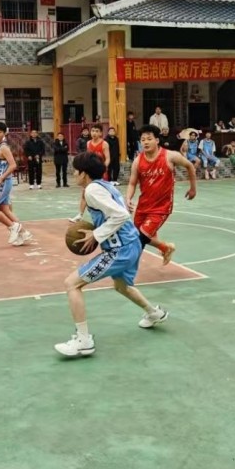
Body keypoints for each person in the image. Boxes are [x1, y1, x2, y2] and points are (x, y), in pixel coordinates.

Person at [54, 152, 169, 358]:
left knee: (71, 284)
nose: (74, 174)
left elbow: (121, 215)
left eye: (76, 170)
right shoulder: (106, 185)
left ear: (84, 173)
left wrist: (96, 235)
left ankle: (83, 341)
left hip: (120, 249)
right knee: (121, 285)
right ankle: (154, 313)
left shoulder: (92, 190)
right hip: (132, 243)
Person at [126, 124, 197, 266]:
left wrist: (193, 189)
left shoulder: (170, 156)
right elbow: (132, 183)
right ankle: (165, 248)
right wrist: (127, 198)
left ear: (157, 140)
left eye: (149, 139)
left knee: (140, 238)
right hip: (143, 206)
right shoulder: (138, 161)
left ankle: (127, 268)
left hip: (161, 207)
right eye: (143, 140)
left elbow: (190, 166)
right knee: (139, 235)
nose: (145, 142)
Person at [0, 121, 33, 246]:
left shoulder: (3, 148)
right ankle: (23, 232)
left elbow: (13, 165)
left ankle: (13, 227)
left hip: (2, 182)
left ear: (4, 134)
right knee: (4, 209)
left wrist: (1, 178)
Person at [69, 125, 110, 222]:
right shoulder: (88, 143)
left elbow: (108, 158)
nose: (94, 133)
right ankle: (80, 214)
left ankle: (106, 215)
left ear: (101, 133)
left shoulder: (104, 144)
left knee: (101, 194)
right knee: (84, 193)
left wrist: (102, 168)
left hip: (100, 173)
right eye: (93, 131)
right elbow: (88, 158)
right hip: (90, 173)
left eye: (97, 131)